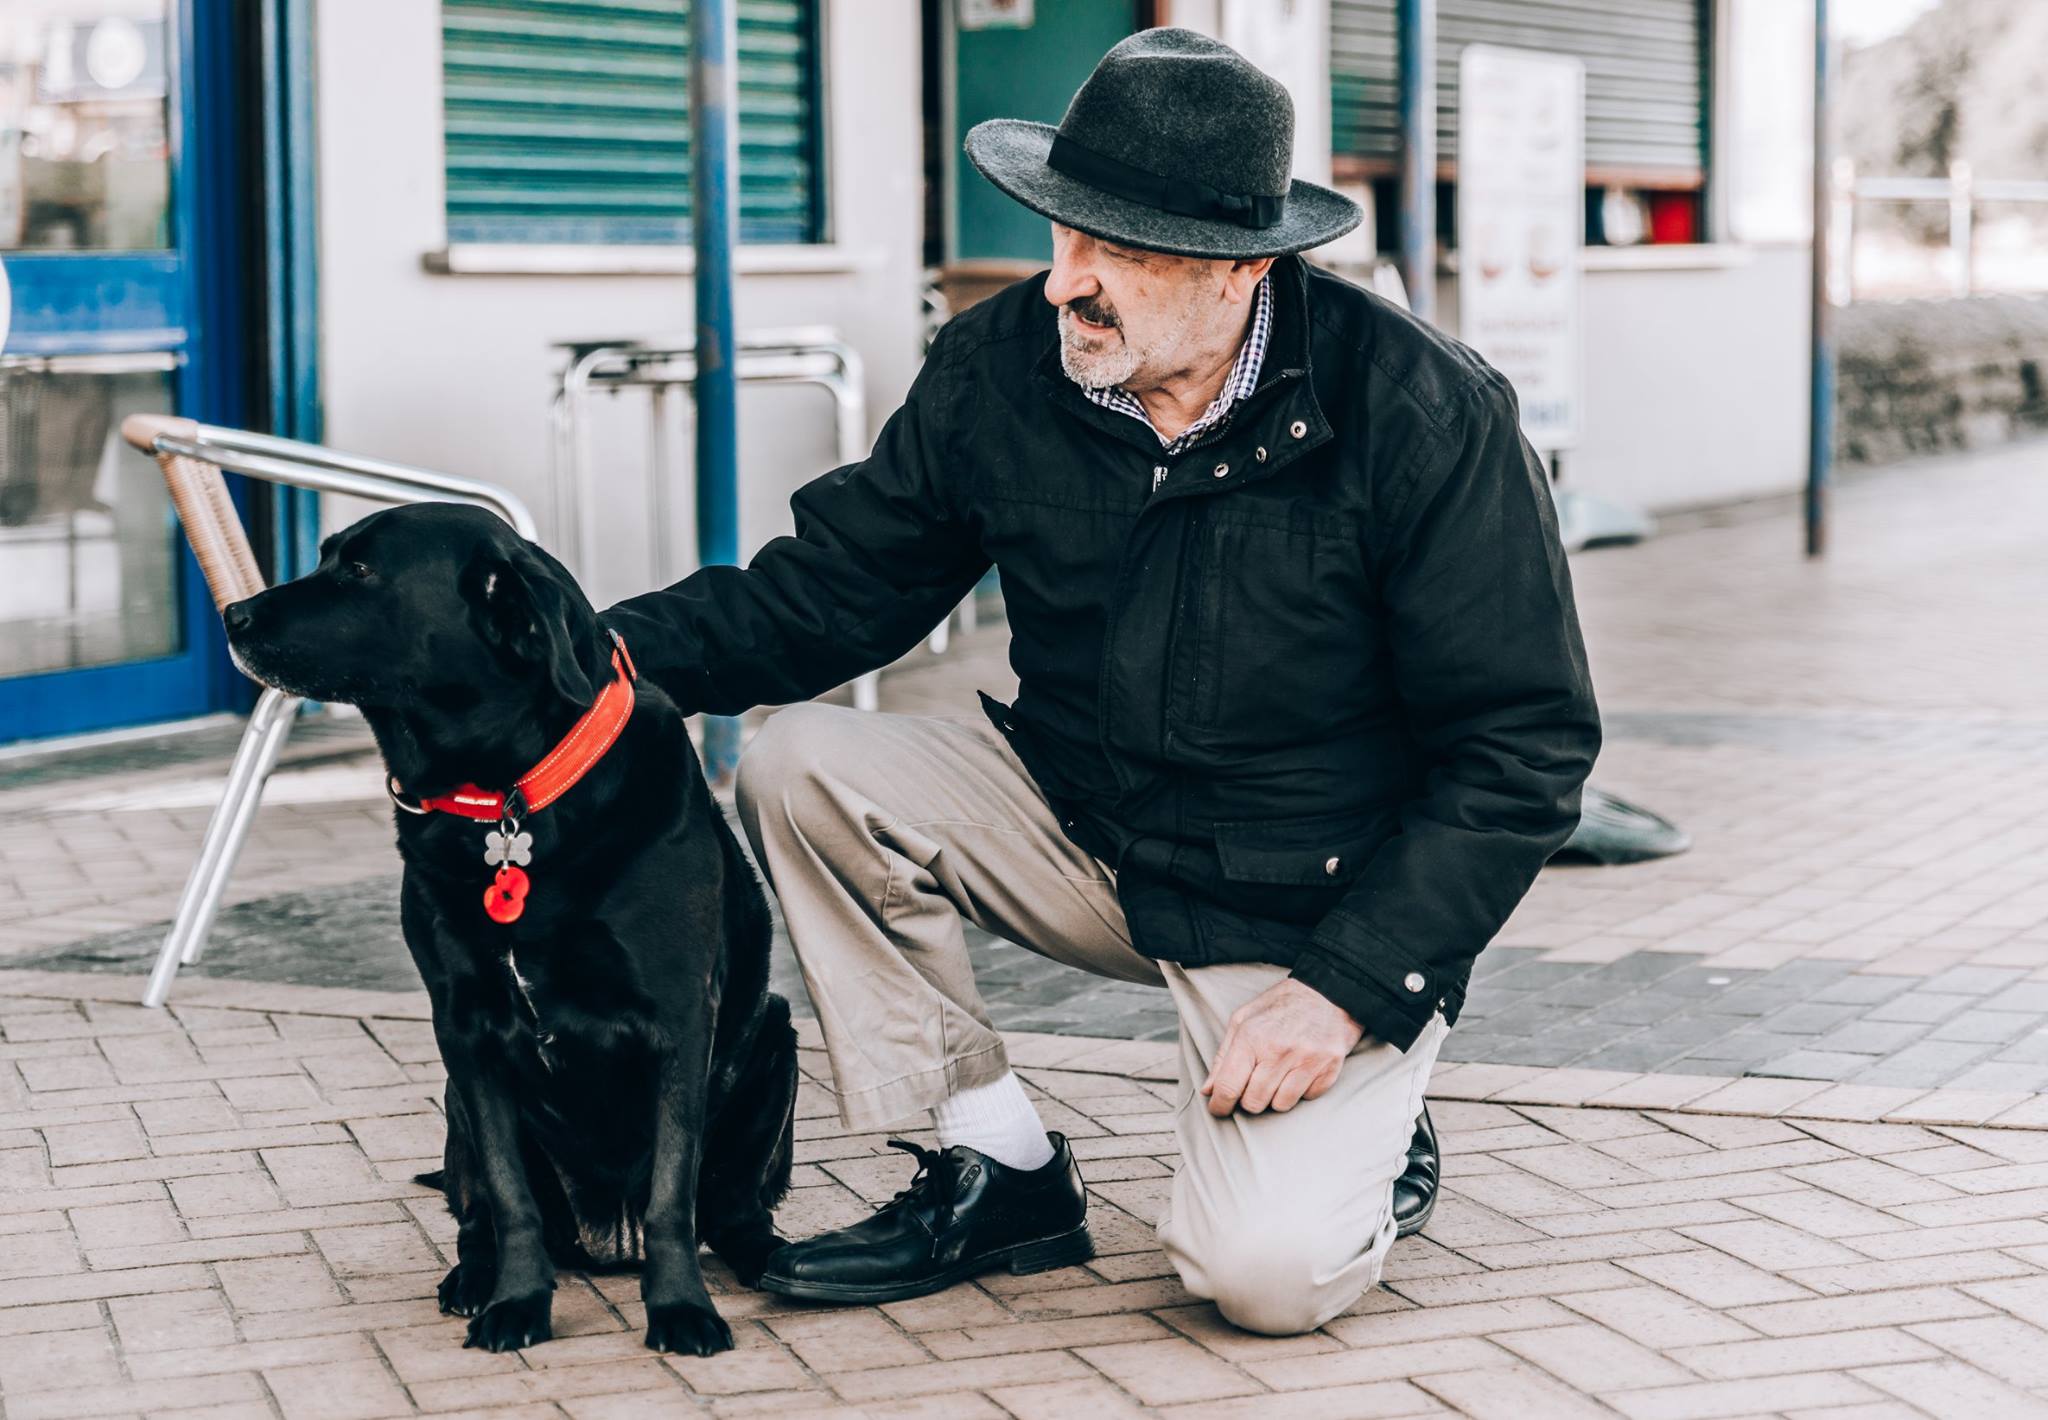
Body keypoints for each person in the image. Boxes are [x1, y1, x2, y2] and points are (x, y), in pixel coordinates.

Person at [605, 27, 1600, 1335]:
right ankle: (995, 1164)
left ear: (1242, 266)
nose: (1065, 281)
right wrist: (587, 660)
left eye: (1118, 250)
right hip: (1087, 828)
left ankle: (1371, 1102)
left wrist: (1353, 988)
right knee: (801, 764)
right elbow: (838, 590)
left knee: (1263, 1279)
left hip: (1308, 904)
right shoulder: (1001, 365)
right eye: (1062, 232)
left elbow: (1520, 754)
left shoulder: (1423, 413)